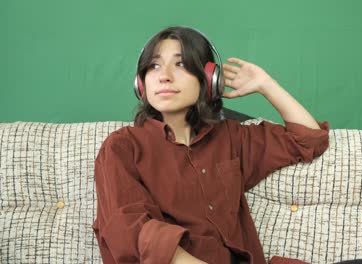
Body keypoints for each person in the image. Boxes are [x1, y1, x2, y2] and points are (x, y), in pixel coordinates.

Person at [92, 26, 330, 264]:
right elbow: (127, 226)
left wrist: (266, 85)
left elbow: (309, 139)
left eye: (181, 64)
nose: (164, 75)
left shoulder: (230, 138)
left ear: (209, 79)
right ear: (141, 84)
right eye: (154, 65)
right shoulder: (122, 147)